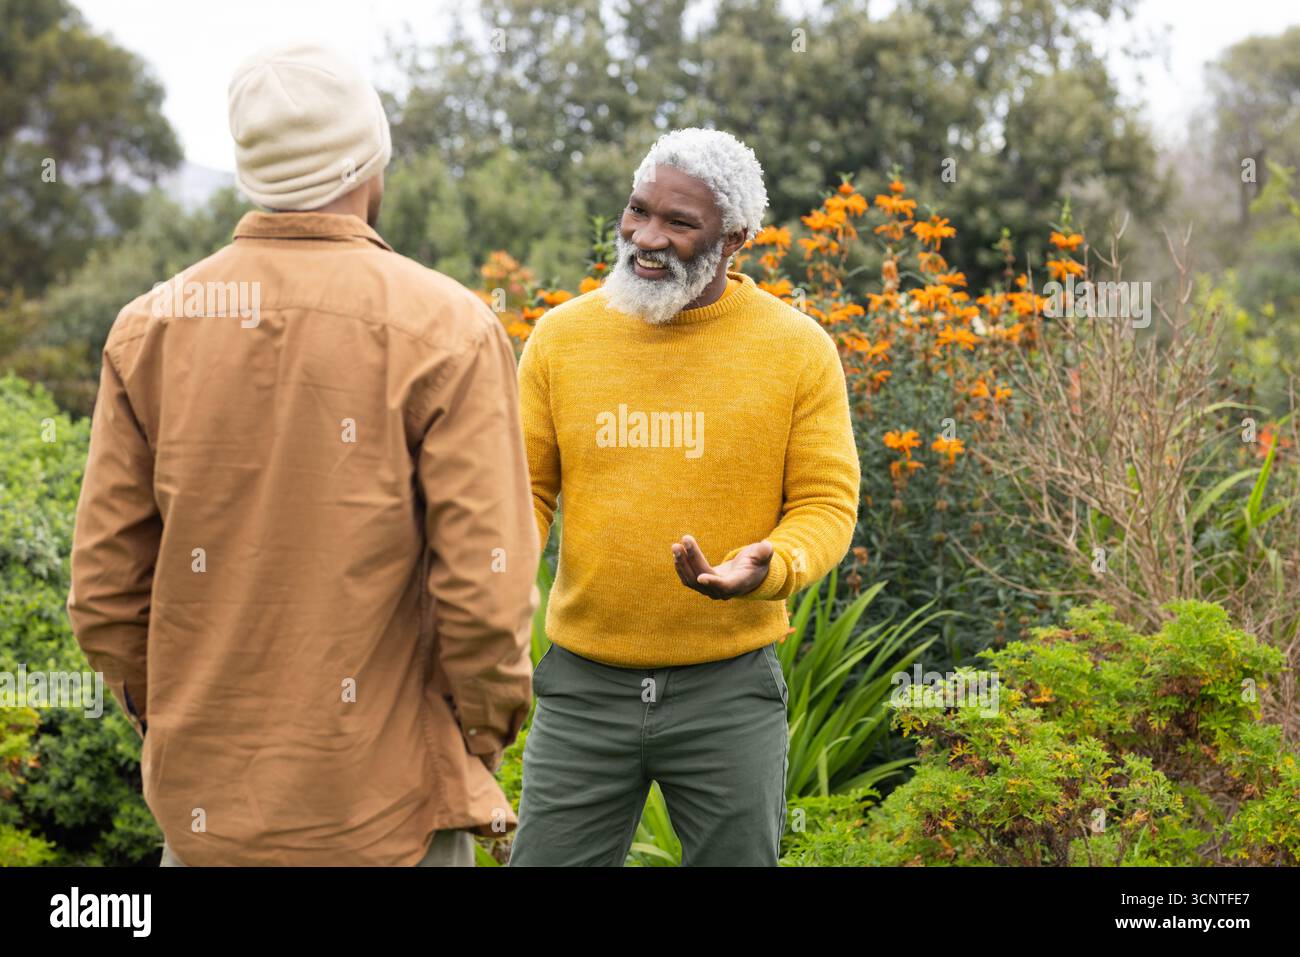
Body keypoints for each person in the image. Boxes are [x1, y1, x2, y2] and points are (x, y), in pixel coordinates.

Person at [66, 43, 539, 867]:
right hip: (390, 820)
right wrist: (471, 742)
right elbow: (485, 597)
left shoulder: (150, 328)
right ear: (372, 159)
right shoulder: (448, 329)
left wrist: (177, 721)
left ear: (251, 171)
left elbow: (105, 592)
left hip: (209, 825)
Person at [508, 128, 860, 866]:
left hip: (728, 689)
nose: (646, 236)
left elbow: (826, 504)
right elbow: (525, 494)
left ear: (735, 238)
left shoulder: (797, 349)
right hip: (583, 685)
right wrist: (487, 589)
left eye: (679, 223)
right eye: (638, 211)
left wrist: (773, 564)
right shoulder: (560, 340)